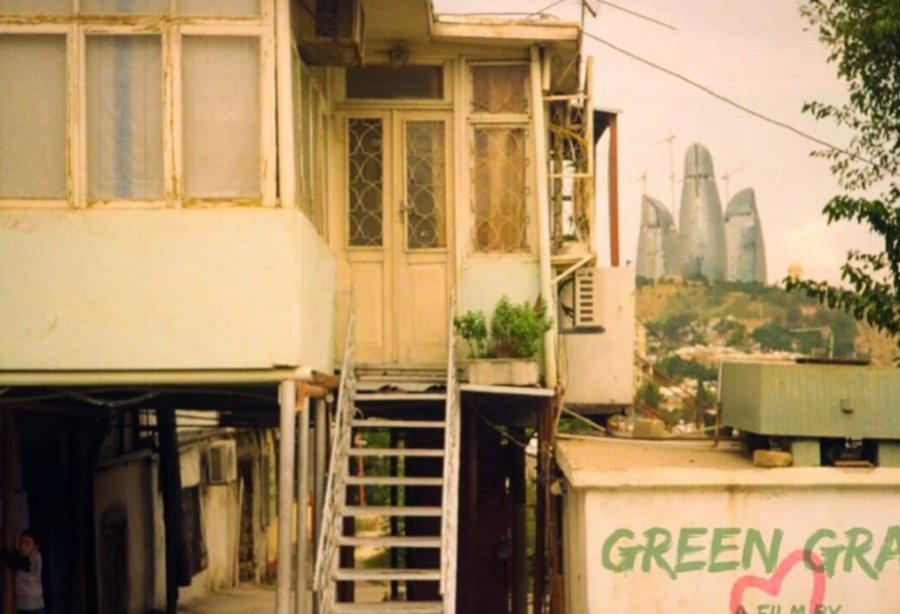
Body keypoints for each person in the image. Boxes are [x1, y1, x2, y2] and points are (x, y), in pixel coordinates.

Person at [1, 530, 45, 614]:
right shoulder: (24, 556)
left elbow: (16, 562)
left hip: (32, 607)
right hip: (25, 606)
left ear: (35, 547)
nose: (22, 546)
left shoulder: (35, 559)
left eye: (27, 543)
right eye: (21, 542)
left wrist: (3, 554)